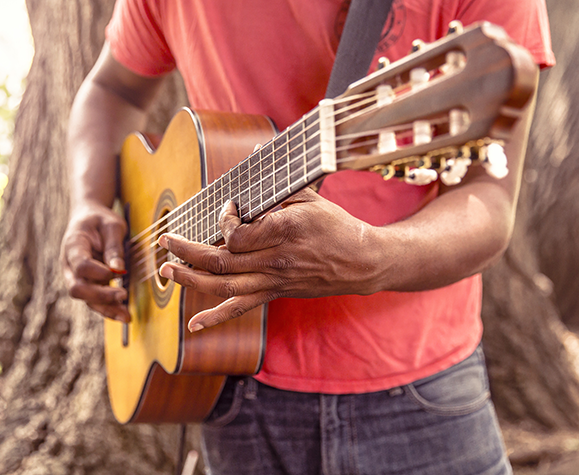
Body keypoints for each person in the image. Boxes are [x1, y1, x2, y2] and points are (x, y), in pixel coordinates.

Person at [61, 1, 555, 473]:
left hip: (419, 390)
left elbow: (489, 200)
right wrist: (88, 202)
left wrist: (374, 257)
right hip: (225, 378)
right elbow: (114, 89)